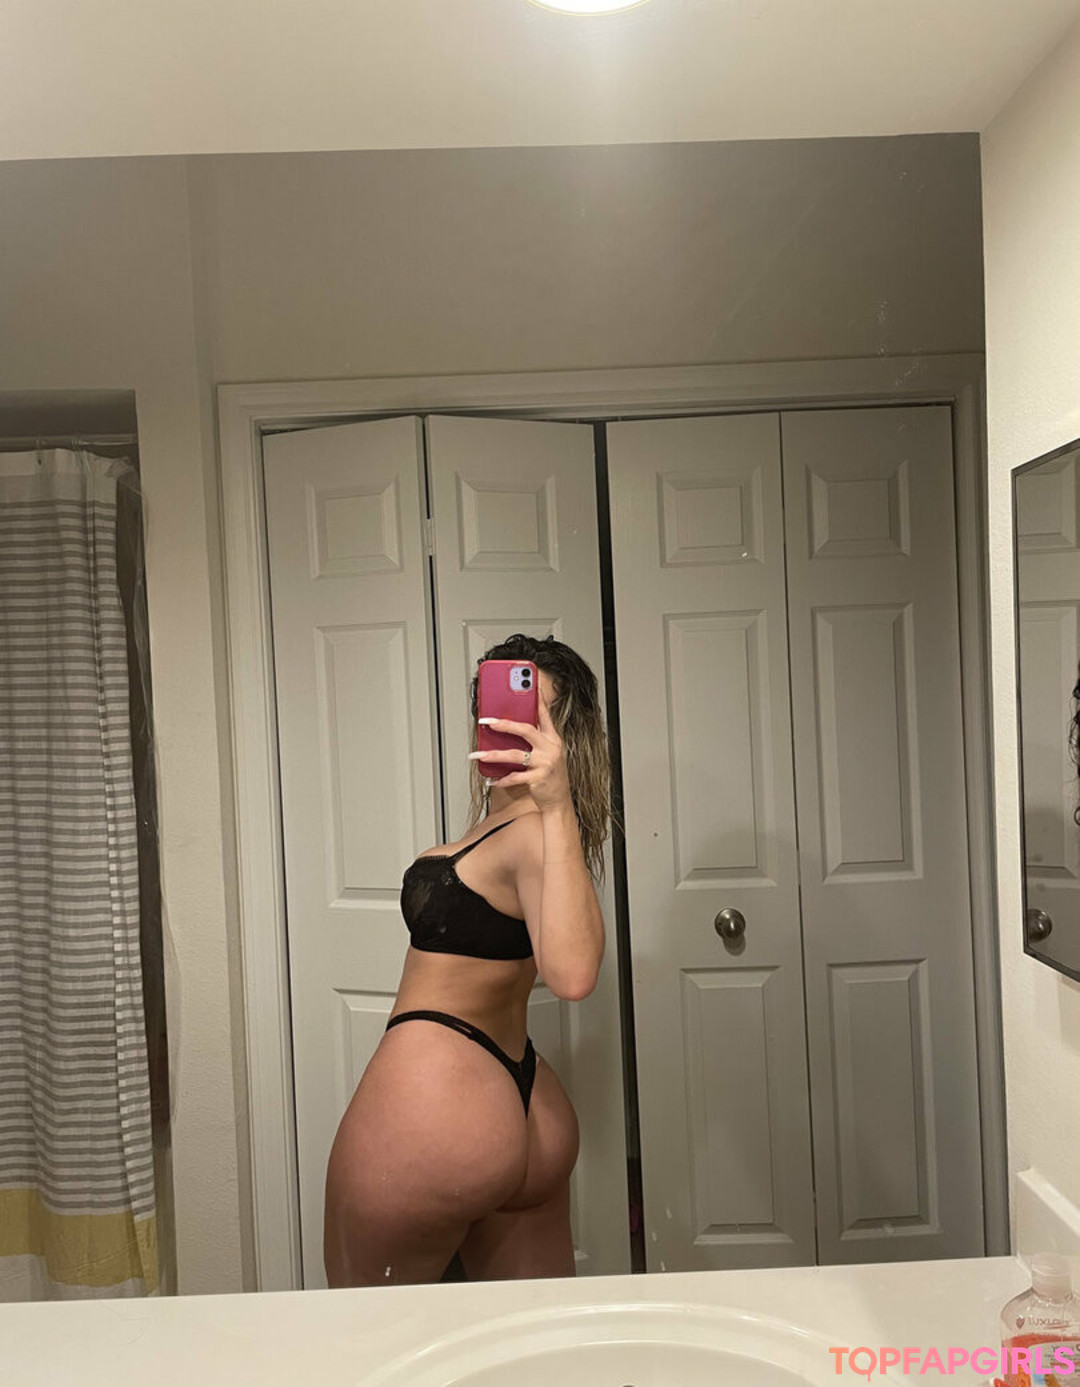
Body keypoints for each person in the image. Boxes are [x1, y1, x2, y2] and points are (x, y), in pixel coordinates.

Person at [323, 633, 613, 1286]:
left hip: (436, 1111)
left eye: (528, 713)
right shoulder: (525, 833)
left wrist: (557, 800)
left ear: (564, 735)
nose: (505, 725)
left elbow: (572, 975)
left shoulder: (538, 831)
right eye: (494, 706)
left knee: (365, 1333)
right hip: (523, 1108)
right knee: (531, 1338)